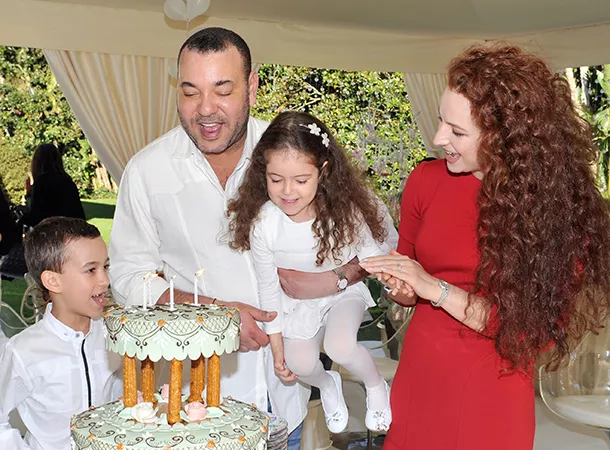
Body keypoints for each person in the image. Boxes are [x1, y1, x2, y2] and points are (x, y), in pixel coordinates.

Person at [109, 27, 397, 448]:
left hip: (285, 403)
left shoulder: (293, 150)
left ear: (252, 86)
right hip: (197, 411)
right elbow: (128, 278)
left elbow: (380, 236)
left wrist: (336, 278)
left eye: (223, 90)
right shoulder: (147, 171)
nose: (206, 109)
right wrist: (213, 315)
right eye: (190, 92)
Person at [359, 43, 610, 450]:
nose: (439, 138)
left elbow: (529, 335)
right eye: (441, 121)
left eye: (457, 132)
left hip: (489, 392)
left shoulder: (556, 213)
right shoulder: (426, 182)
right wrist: (401, 286)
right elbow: (408, 280)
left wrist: (434, 288)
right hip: (419, 377)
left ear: (505, 137)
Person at [227, 111, 395, 433]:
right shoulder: (264, 224)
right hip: (296, 304)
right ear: (264, 172)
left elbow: (371, 254)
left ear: (323, 171)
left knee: (339, 345)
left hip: (343, 294)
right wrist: (277, 347)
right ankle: (328, 385)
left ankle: (376, 385)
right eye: (276, 179)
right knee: (300, 363)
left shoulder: (343, 212)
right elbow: (268, 288)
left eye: (301, 180)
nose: (288, 191)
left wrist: (391, 275)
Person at [0, 217, 121, 450]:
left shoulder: (112, 334)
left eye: (105, 267)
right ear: (53, 281)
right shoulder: (24, 351)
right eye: (91, 270)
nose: (105, 280)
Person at [21, 144, 86, 227]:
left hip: (54, 231)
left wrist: (24, 215)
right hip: (73, 229)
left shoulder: (42, 182)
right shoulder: (67, 180)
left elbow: (36, 217)